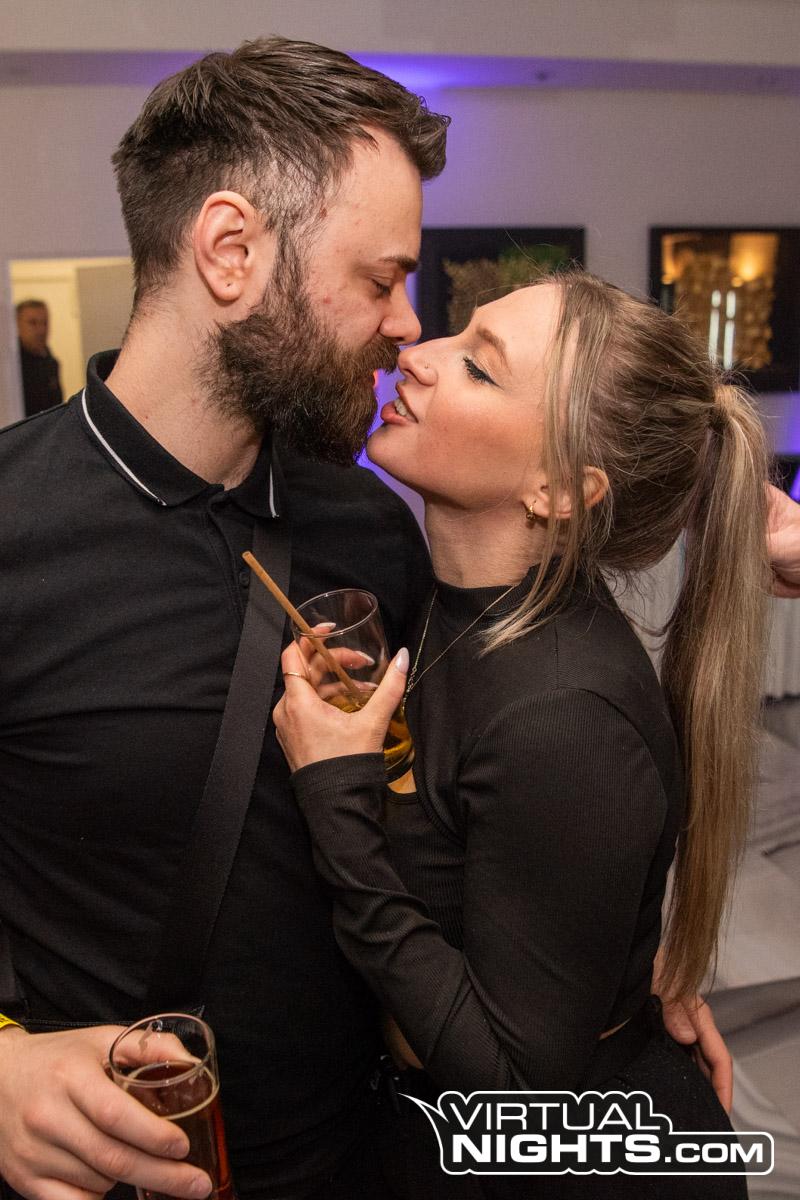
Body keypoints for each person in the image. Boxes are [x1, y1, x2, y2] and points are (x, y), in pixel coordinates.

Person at [0, 37, 746, 1200]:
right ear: (231, 252)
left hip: (381, 1149)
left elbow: (477, 807)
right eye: (381, 277)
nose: (406, 325)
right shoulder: (15, 525)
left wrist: (604, 977)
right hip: (133, 1166)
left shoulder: (371, 525)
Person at [274, 272, 773, 1198]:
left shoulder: (563, 716)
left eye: (480, 367)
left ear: (558, 488)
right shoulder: (454, 607)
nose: (418, 355)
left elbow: (521, 1100)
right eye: (457, 333)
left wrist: (335, 798)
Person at [15, 300, 63, 416]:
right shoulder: (11, 367)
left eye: (45, 323)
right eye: (33, 323)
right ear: (16, 325)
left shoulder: (51, 362)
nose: (41, 330)